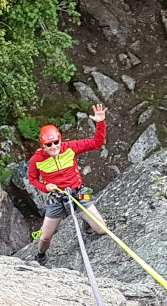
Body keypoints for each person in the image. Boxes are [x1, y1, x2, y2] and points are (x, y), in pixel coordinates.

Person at [27, 104, 108, 266]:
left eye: (56, 142)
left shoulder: (69, 148)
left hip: (78, 193)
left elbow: (96, 142)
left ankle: (87, 222)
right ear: (42, 145)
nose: (53, 147)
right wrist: (45, 188)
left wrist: (100, 123)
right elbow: (32, 179)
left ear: (60, 140)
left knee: (101, 229)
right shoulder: (36, 160)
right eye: (49, 145)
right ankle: (41, 256)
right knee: (44, 237)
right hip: (57, 198)